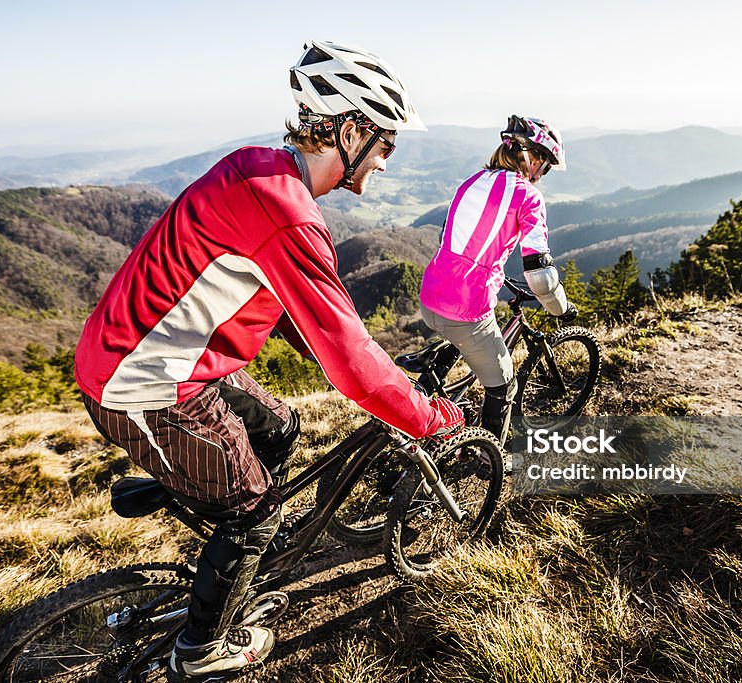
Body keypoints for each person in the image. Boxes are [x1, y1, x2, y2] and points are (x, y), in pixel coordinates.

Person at [73, 40, 464, 681]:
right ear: (350, 130)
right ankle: (200, 648)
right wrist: (426, 415)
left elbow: (269, 296)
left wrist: (329, 342)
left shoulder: (256, 167)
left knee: (278, 427)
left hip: (167, 355)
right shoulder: (288, 214)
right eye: (387, 143)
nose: (389, 162)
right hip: (144, 382)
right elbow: (353, 366)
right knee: (252, 514)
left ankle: (212, 509)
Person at [419, 115, 577, 445]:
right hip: (465, 307)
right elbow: (540, 275)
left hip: (431, 293)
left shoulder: (473, 181)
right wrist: (560, 309)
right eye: (545, 166)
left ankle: (429, 389)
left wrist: (493, 272)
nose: (543, 175)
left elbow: (461, 242)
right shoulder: (528, 196)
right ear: (534, 159)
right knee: (504, 384)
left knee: (462, 341)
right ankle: (488, 461)